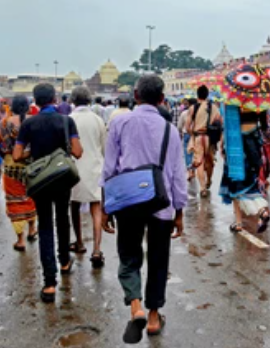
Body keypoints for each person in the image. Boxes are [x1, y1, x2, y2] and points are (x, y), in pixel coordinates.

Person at [101, 75, 187, 343]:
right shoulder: (170, 130)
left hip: (128, 201)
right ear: (162, 99)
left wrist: (106, 206)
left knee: (129, 254)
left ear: (135, 95)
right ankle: (152, 317)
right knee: (159, 258)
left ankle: (135, 305)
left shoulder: (120, 122)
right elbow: (177, 174)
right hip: (160, 202)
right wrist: (180, 210)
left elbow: (109, 168)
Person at [13, 84, 83, 302]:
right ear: (54, 99)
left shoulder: (29, 124)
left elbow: (16, 155)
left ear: (35, 101)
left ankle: (49, 283)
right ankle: (64, 261)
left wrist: (34, 153)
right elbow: (78, 152)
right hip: (62, 179)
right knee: (62, 219)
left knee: (45, 226)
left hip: (40, 182)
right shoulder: (66, 121)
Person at [0, 96, 37, 251]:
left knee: (15, 201)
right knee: (31, 196)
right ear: (28, 107)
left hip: (12, 166)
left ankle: (20, 239)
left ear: (12, 107)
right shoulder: (34, 121)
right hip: (33, 165)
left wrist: (4, 154)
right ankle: (32, 229)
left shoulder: (3, 123)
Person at [68, 87, 107, 267]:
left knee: (74, 205)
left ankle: (80, 242)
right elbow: (104, 148)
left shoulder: (68, 119)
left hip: (73, 169)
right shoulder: (97, 120)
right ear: (89, 101)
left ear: (73, 101)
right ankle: (97, 249)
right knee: (96, 207)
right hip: (95, 168)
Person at [220, 107, 270, 234]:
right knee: (252, 187)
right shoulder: (259, 102)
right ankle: (262, 212)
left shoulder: (233, 102)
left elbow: (227, 128)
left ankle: (238, 223)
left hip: (236, 150)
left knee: (236, 190)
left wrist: (223, 145)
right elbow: (265, 128)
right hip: (254, 151)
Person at [185, 86, 221, 198]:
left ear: (197, 95)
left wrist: (193, 134)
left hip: (198, 137)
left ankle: (203, 188)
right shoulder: (213, 107)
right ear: (207, 95)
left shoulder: (193, 108)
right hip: (210, 138)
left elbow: (187, 126)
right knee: (210, 161)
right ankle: (209, 180)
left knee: (199, 162)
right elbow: (220, 123)